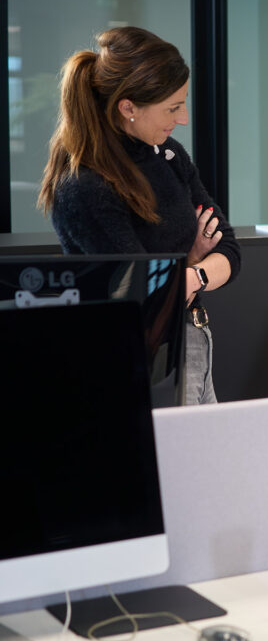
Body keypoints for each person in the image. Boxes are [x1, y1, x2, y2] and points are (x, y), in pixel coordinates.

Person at [37, 26, 240, 405]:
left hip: (193, 343)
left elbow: (228, 248)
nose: (183, 118)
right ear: (128, 107)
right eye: (172, 108)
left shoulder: (169, 155)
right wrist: (193, 262)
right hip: (136, 361)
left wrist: (189, 275)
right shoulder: (87, 186)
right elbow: (144, 301)